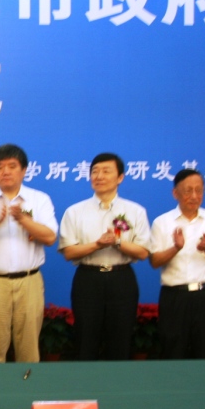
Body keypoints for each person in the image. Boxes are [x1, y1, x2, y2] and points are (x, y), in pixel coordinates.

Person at [0, 144, 57, 363]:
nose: (5, 171)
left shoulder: (39, 199)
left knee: (29, 349)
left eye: (12, 166)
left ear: (24, 170)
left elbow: (50, 237)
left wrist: (23, 219)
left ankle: (29, 384)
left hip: (29, 281)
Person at [58, 153, 150, 360]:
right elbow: (69, 252)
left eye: (106, 171)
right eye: (95, 172)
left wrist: (117, 242)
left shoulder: (135, 211)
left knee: (121, 339)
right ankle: (86, 379)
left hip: (122, 279)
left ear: (120, 177)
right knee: (85, 338)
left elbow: (143, 252)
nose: (99, 176)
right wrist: (97, 245)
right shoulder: (75, 211)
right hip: (88, 279)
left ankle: (118, 380)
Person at [149, 169, 205, 359]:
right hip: (175, 297)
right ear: (175, 193)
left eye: (199, 190)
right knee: (173, 352)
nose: (194, 196)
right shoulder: (162, 222)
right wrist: (175, 248)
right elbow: (154, 261)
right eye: (188, 191)